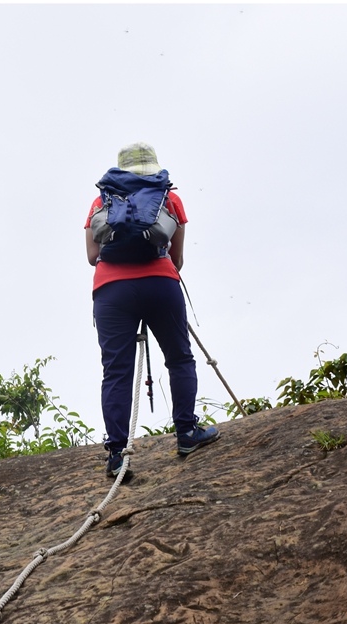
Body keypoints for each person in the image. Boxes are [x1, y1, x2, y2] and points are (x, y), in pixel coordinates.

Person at [84, 142, 219, 482]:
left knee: (116, 371)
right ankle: (187, 434)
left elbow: (91, 256)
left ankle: (117, 455)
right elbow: (177, 260)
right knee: (179, 358)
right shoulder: (169, 198)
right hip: (160, 283)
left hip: (112, 291)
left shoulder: (101, 202)